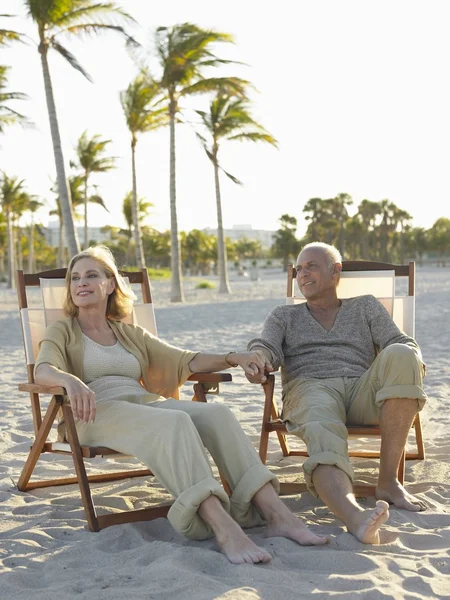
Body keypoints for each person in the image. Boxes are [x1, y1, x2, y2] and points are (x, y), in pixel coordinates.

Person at [34, 245, 329, 565]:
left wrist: (234, 357)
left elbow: (184, 359)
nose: (81, 283)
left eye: (91, 275)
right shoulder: (62, 330)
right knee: (172, 423)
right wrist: (71, 381)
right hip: (92, 411)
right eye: (75, 278)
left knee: (218, 414)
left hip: (142, 403)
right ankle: (224, 527)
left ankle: (277, 515)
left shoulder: (128, 333)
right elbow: (43, 370)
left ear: (110, 284)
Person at [246, 242, 428, 545]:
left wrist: (409, 364)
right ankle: (354, 516)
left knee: (401, 352)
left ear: (335, 271)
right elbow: (266, 347)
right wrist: (256, 360)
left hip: (362, 390)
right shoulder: (283, 316)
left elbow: (400, 341)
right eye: (298, 269)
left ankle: (388, 481)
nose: (302, 274)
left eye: (311, 266)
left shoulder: (366, 306)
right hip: (310, 388)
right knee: (322, 426)